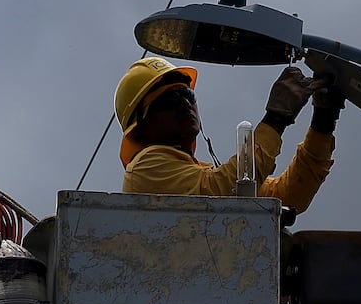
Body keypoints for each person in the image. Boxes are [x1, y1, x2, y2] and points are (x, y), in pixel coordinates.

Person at [115, 57, 345, 212]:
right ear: (141, 124)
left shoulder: (194, 176)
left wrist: (323, 120)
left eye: (188, 95)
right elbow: (225, 193)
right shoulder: (146, 168)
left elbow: (287, 196)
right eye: (170, 99)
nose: (185, 104)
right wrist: (276, 118)